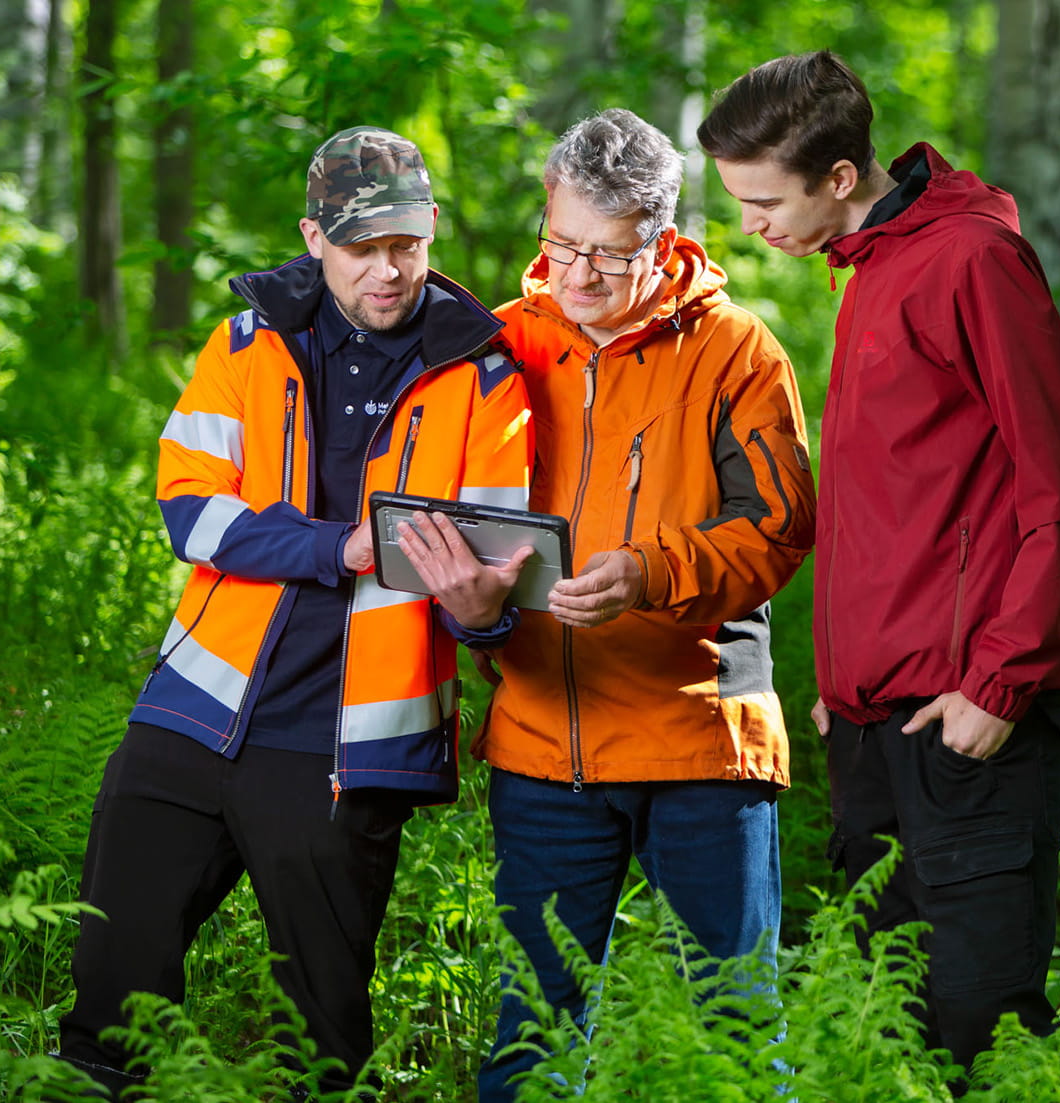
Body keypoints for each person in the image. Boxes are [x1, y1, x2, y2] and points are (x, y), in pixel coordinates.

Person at [57, 126, 533, 1100]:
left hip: (347, 739)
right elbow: (190, 506)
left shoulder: (487, 375)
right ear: (315, 237)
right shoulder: (245, 338)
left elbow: (494, 578)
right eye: (363, 248)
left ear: (432, 227)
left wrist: (484, 613)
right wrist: (336, 548)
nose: (390, 270)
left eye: (406, 243)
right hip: (193, 706)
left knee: (321, 1031)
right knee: (112, 972)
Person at [698, 52, 1060, 1074]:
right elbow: (901, 503)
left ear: (839, 177)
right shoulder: (872, 266)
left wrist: (1000, 684)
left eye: (762, 201)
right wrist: (846, 687)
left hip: (969, 716)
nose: (750, 226)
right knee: (896, 1034)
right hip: (880, 721)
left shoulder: (970, 259)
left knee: (981, 1029)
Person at [472, 108, 815, 1100]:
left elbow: (780, 528)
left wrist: (648, 572)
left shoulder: (739, 352)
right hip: (544, 741)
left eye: (607, 256)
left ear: (662, 242)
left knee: (739, 1034)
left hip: (703, 740)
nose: (576, 275)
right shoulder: (497, 344)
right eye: (561, 245)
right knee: (530, 1041)